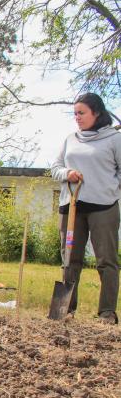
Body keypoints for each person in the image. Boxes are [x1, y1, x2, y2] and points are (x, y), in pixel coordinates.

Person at [50, 93, 121, 324]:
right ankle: (66, 310)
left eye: (81, 113)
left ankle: (107, 312)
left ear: (97, 113)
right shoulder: (71, 139)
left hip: (103, 208)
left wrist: (110, 190)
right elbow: (55, 168)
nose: (77, 118)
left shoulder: (114, 139)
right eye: (75, 114)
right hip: (71, 207)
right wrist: (67, 174)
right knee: (70, 259)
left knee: (106, 261)